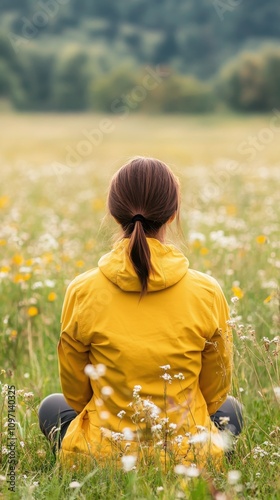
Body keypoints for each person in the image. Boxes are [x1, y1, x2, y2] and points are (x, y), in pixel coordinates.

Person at [38, 157, 243, 469]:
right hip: (188, 456)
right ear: (173, 215)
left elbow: (76, 395)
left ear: (112, 212)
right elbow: (215, 393)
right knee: (232, 409)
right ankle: (213, 457)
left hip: (102, 457)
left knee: (52, 406)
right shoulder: (207, 291)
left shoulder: (82, 290)